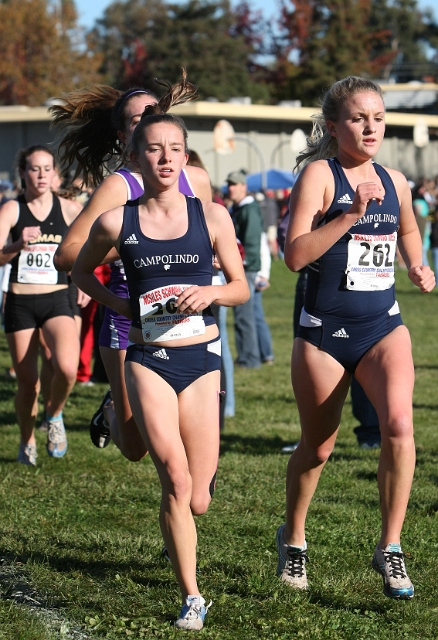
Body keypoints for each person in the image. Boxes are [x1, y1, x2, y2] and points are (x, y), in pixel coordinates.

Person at [71, 88, 249, 630]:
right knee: (172, 477)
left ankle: (186, 522)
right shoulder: (116, 220)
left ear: (187, 155)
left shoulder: (212, 216)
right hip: (146, 359)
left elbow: (240, 287)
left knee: (198, 500)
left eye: (176, 148)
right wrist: (120, 303)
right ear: (135, 156)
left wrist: (211, 295)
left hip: (201, 362)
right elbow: (77, 271)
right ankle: (191, 596)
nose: (167, 157)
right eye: (154, 149)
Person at [279, 76, 435, 600]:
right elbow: (295, 256)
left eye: (378, 118)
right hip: (324, 331)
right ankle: (294, 537)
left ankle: (390, 546)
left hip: (381, 325)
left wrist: (416, 263)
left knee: (398, 425)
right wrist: (349, 214)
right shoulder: (320, 177)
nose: (370, 127)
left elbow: (408, 229)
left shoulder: (395, 179)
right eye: (357, 118)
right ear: (333, 125)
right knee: (318, 448)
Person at [50, 71, 212, 456]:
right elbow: (66, 255)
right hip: (129, 317)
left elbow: (209, 241)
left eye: (154, 113)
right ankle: (111, 410)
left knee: (185, 438)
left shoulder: (196, 180)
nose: (151, 123)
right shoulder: (119, 187)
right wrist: (132, 244)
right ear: (126, 138)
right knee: (134, 447)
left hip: (188, 315)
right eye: (139, 121)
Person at [0, 145, 82, 465]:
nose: (42, 175)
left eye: (47, 168)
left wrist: (82, 278)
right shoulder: (11, 209)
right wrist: (19, 244)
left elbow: (85, 249)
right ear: (23, 173)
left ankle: (55, 415)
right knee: (28, 383)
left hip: (57, 297)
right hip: (20, 301)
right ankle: (27, 440)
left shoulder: (71, 209)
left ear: (55, 172)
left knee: (66, 367)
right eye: (35, 169)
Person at [227, 170, 264, 368]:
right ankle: (260, 355)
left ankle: (249, 359)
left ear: (243, 186)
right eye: (229, 184)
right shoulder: (240, 208)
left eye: (234, 184)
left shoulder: (248, 209)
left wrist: (242, 264)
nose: (230, 188)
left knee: (244, 316)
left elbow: (250, 241)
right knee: (251, 315)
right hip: (246, 266)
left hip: (245, 267)